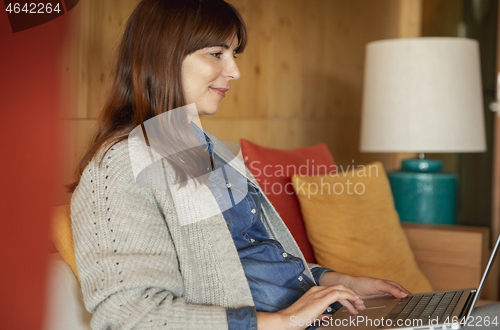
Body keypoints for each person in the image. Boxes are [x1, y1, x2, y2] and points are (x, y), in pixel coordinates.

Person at [69, 1, 498, 329]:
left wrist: (335, 280)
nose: (234, 70)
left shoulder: (207, 150)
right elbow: (128, 313)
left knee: (484, 316)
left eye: (234, 53)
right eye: (216, 53)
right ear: (163, 55)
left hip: (316, 317)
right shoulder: (120, 165)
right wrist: (280, 322)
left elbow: (248, 257)